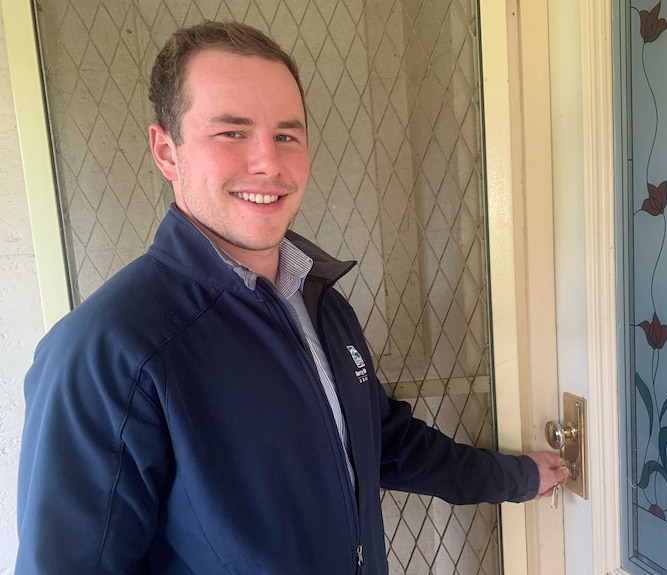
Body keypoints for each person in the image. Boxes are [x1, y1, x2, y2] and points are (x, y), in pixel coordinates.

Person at [16, 21, 568, 574]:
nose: (268, 163)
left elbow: (386, 444)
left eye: (286, 134)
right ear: (166, 151)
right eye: (231, 133)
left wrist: (519, 478)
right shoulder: (105, 352)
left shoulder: (319, 303)